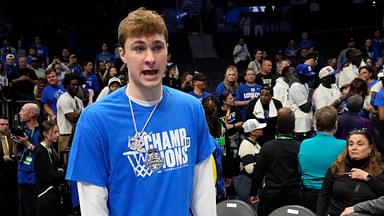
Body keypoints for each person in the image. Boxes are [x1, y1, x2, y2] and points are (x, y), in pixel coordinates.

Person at [65, 7, 216, 216]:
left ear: (167, 51)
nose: (150, 58)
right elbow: (94, 206)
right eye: (138, 48)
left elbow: (202, 189)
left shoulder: (191, 108)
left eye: (157, 47)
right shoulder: (95, 120)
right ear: (122, 54)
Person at [316, 128, 384, 216]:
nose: (354, 148)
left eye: (360, 144)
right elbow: (324, 195)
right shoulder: (336, 166)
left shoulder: (380, 169)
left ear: (370, 148)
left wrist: (368, 178)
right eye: (351, 144)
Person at [249, 107, 301, 216]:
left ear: (277, 128)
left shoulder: (267, 147)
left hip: (271, 196)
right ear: (294, 129)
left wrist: (253, 192)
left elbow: (258, 173)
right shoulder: (300, 147)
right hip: (293, 196)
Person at [298, 106, 346, 212]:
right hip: (331, 197)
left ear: (316, 125)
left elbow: (300, 170)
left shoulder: (304, 144)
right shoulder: (344, 146)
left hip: (307, 196)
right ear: (336, 125)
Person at [34, 120, 65, 216]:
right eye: (55, 132)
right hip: (45, 195)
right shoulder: (41, 152)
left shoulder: (51, 150)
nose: (58, 135)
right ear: (45, 134)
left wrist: (59, 172)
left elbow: (59, 169)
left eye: (58, 132)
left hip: (53, 195)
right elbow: (51, 176)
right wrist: (61, 173)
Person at [234, 118, 265, 203]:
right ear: (252, 132)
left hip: (253, 181)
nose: (262, 130)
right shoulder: (246, 145)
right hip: (246, 182)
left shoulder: (256, 144)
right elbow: (249, 169)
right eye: (259, 129)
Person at [0, 115, 18, 215]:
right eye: (2, 124)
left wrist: (15, 144)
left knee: (11, 203)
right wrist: (2, 158)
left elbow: (14, 155)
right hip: (1, 174)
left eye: (7, 124)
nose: (5, 126)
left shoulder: (11, 137)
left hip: (11, 174)